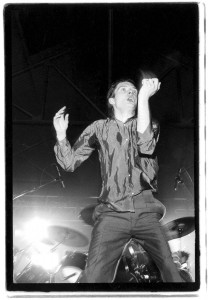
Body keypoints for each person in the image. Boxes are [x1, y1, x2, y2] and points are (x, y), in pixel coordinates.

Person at [53, 78, 183, 283]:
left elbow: (145, 145)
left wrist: (144, 97)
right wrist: (61, 135)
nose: (131, 92)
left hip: (146, 211)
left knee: (172, 271)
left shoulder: (149, 123)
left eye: (134, 90)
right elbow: (69, 163)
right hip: (111, 212)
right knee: (94, 277)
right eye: (124, 90)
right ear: (112, 100)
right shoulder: (98, 127)